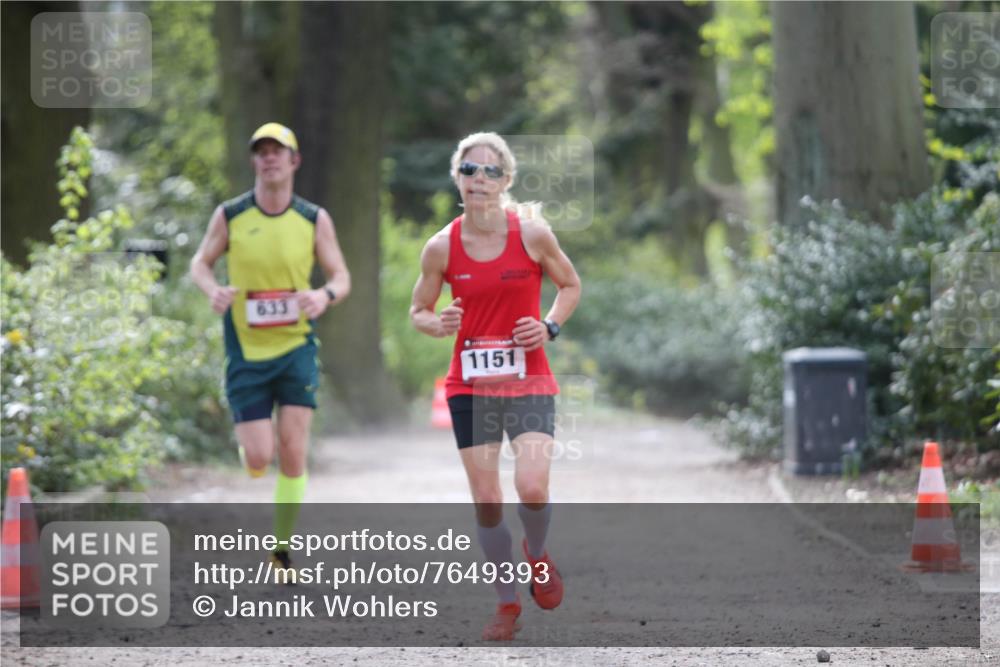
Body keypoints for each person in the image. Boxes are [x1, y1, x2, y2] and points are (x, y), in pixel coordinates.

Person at [410, 132, 582, 640]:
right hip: (470, 387)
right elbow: (418, 310)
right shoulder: (440, 247)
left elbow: (570, 285)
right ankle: (507, 603)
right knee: (487, 499)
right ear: (457, 179)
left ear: (506, 180)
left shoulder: (532, 235)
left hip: (529, 380)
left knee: (531, 488)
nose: (478, 179)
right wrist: (437, 323)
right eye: (469, 170)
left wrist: (549, 326)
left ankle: (537, 553)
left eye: (489, 171)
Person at [190, 122, 350, 577]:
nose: (270, 158)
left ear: (294, 161)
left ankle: (281, 550)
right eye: (261, 152)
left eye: (278, 151)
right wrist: (213, 290)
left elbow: (341, 276)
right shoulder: (232, 214)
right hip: (246, 350)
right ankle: (254, 454)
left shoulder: (313, 219)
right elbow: (200, 262)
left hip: (296, 346)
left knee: (293, 449)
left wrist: (324, 296)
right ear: (254, 161)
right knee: (261, 457)